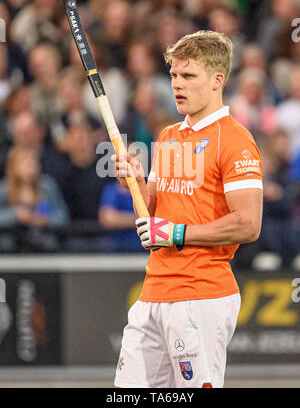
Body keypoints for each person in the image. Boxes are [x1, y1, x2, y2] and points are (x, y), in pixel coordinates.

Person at [112, 30, 263, 388]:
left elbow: (248, 224)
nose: (177, 84)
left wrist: (177, 233)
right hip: (154, 290)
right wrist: (132, 182)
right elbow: (153, 212)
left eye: (188, 75)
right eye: (173, 75)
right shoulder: (167, 137)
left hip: (202, 293)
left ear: (217, 80)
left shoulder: (236, 140)